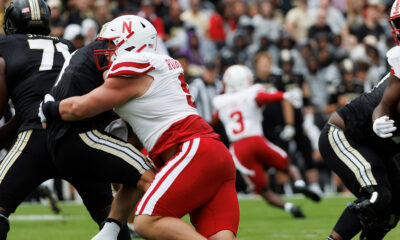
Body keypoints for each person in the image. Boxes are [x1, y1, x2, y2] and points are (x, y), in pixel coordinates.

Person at [41, 14, 239, 240]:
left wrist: (48, 107)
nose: (105, 49)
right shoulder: (160, 64)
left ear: (130, 41)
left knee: (147, 222)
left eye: (111, 43)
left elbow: (78, 108)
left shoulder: (134, 65)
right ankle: (110, 230)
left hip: (191, 150)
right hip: (215, 153)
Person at [0, 1, 133, 240]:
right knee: (110, 218)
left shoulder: (5, 45)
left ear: (10, 23)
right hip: (78, 135)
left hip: (36, 133)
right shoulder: (67, 45)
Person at [39, 15, 156, 240]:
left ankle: (110, 233)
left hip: (68, 136)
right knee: (148, 173)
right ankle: (161, 228)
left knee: (131, 174)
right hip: (78, 135)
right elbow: (101, 97)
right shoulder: (105, 55)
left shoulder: (92, 51)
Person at [212, 65, 320, 217]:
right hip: (257, 140)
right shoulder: (252, 92)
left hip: (238, 148)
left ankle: (289, 207)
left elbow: (213, 121)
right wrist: (283, 95)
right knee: (287, 164)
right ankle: (299, 184)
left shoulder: (220, 101)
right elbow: (264, 98)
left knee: (263, 189)